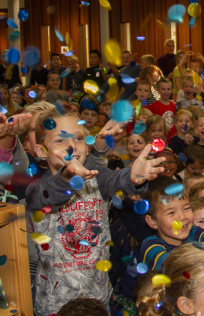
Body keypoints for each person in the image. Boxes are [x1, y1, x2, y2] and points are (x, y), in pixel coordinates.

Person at [26, 107, 165, 315]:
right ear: (41, 151)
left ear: (88, 147)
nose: (72, 146)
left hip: (98, 297)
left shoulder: (97, 178)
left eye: (79, 138)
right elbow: (50, 194)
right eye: (60, 140)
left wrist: (132, 177)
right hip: (55, 304)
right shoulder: (37, 189)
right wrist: (67, 177)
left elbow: (115, 179)